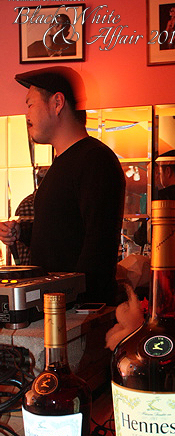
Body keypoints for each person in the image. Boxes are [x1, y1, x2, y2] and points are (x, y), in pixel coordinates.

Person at [0, 66, 126, 305]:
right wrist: (21, 232)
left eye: (30, 104)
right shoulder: (63, 162)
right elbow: (64, 236)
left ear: (57, 103)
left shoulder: (94, 159)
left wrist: (81, 307)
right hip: (57, 309)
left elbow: (98, 247)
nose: (27, 116)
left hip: (78, 311)